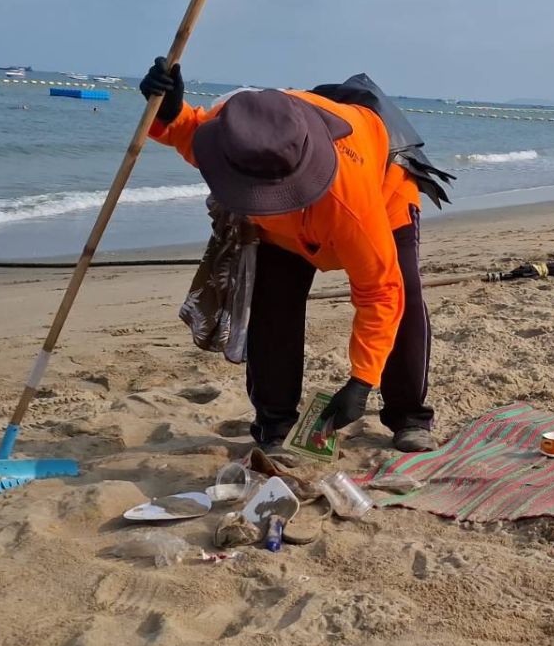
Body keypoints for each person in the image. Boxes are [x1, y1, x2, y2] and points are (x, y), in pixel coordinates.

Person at [138, 58, 440, 453]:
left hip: (384, 190)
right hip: (284, 230)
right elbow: (190, 132)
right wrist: (168, 111)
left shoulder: (351, 205)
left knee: (405, 296)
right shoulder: (236, 131)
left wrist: (361, 381)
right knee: (273, 306)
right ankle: (275, 425)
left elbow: (380, 294)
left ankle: (409, 416)